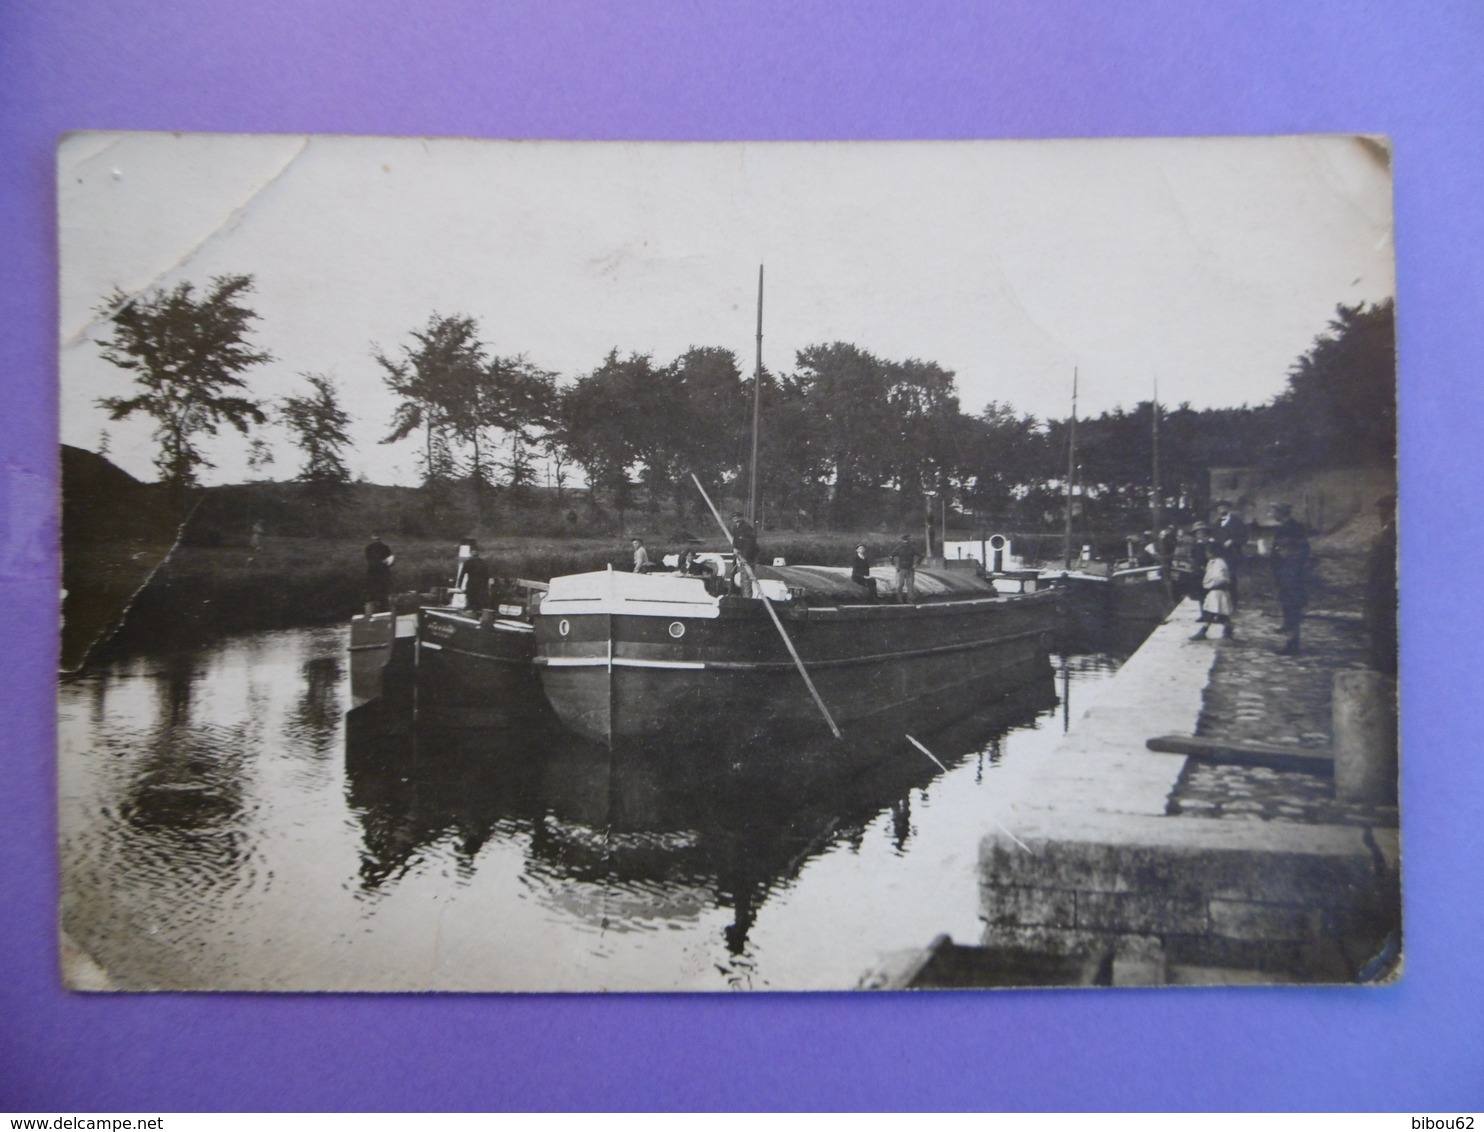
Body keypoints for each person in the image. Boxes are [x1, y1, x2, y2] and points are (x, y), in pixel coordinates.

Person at [1269, 502, 1310, 656]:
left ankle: (1293, 645)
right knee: (1288, 607)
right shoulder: (1284, 527)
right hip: (1285, 573)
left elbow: (1303, 550)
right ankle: (1291, 641)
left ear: (1281, 513)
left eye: (1274, 512)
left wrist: (1289, 558)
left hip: (1292, 575)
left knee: (1292, 608)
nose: (1272, 515)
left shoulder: (1293, 528)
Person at [1364, 494, 1398, 677]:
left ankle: (1385, 670)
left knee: (1384, 630)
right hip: (1383, 590)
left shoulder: (1389, 534)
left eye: (1384, 510)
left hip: (1385, 591)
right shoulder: (1388, 532)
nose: (1381, 514)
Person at [1190, 535, 1233, 639]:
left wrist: (1211, 585)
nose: (1206, 554)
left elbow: (1221, 578)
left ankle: (1203, 631)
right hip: (1215, 591)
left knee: (1211, 612)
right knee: (1221, 612)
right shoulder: (1212, 562)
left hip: (1217, 591)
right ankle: (1228, 629)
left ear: (1214, 552)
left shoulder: (1219, 563)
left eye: (1208, 552)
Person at [1212, 501, 1248, 608]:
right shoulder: (1216, 523)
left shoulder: (1237, 522)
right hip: (1219, 554)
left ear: (1228, 508)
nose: (1221, 510)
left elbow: (1244, 538)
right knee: (1219, 576)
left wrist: (1232, 541)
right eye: (1219, 508)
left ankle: (1233, 603)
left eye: (1223, 508)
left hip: (1233, 554)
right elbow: (1213, 536)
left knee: (1231, 578)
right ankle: (1221, 603)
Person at [455, 540, 492, 613]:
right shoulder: (482, 562)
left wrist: (459, 585)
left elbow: (462, 574)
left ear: (471, 553)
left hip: (472, 583)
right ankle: (477, 608)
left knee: (471, 597)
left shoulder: (468, 562)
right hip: (480, 584)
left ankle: (471, 608)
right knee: (478, 597)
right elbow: (487, 575)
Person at [364, 533, 394, 614]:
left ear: (371, 537)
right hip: (383, 572)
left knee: (373, 592)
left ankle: (373, 610)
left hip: (373, 572)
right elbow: (390, 562)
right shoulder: (385, 547)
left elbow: (369, 560)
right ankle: (384, 609)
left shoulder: (368, 548)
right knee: (384, 592)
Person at [729, 512, 758, 598]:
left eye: (737, 517)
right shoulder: (735, 528)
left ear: (741, 517)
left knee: (746, 578)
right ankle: (737, 595)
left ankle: (747, 598)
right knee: (737, 576)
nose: (735, 518)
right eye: (734, 517)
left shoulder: (746, 528)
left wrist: (744, 557)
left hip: (747, 557)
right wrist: (734, 548)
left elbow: (750, 544)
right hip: (738, 556)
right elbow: (735, 540)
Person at [892, 534, 918, 604]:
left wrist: (916, 564)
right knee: (900, 585)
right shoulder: (899, 548)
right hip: (901, 569)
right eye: (905, 540)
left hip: (910, 569)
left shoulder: (912, 548)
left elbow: (921, 555)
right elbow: (891, 556)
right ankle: (899, 601)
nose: (906, 541)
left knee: (910, 586)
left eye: (907, 540)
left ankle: (910, 600)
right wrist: (895, 566)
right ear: (903, 540)